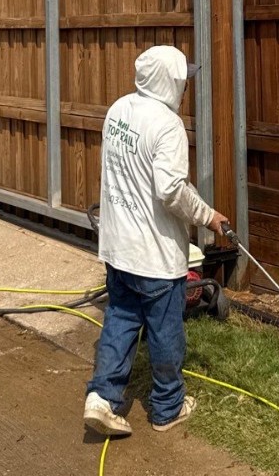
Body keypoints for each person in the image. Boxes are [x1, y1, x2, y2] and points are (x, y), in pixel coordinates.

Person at [83, 45, 229, 437]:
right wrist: (209, 217)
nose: (185, 89)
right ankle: (167, 407)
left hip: (118, 248)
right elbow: (170, 190)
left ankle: (101, 398)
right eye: (182, 81)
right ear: (170, 81)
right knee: (166, 331)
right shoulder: (167, 125)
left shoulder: (118, 110)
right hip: (153, 254)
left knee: (121, 319)